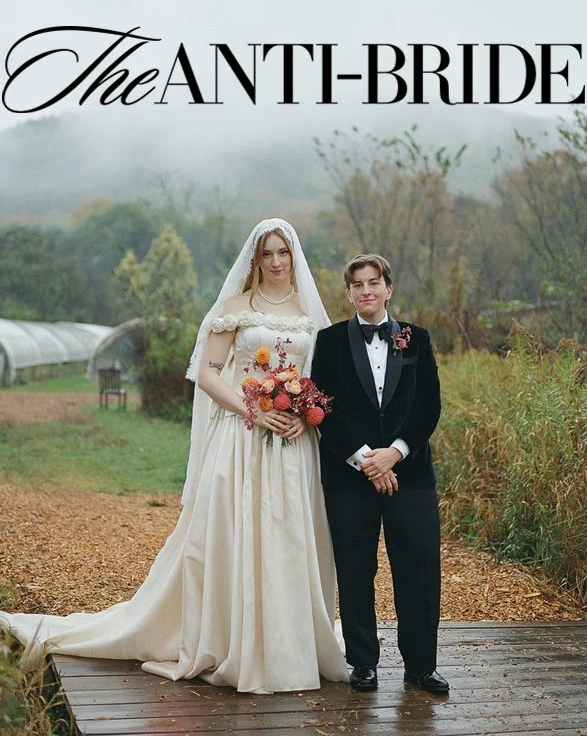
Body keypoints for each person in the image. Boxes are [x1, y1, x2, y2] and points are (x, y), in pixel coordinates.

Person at [0, 218, 349, 694]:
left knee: (288, 534)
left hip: (293, 446)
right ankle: (233, 638)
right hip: (242, 437)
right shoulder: (235, 307)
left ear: (294, 256)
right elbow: (208, 374)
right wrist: (254, 408)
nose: (275, 262)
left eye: (282, 253)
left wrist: (304, 416)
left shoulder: (310, 313)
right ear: (254, 258)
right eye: (266, 253)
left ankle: (289, 644)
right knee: (238, 531)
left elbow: (321, 380)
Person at [311, 253, 449, 694]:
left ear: (388, 288)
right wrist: (366, 460)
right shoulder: (329, 341)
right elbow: (323, 408)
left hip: (411, 474)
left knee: (419, 568)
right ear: (348, 293)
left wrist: (395, 453)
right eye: (358, 285)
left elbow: (428, 405)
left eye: (374, 283)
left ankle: (421, 667)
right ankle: (363, 663)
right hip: (350, 477)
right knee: (355, 569)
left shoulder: (416, 338)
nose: (366, 291)